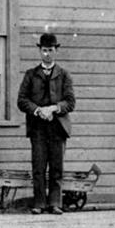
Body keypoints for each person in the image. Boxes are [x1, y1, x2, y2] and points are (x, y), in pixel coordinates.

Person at [17, 33, 76, 215]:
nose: (47, 54)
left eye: (50, 50)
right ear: (39, 51)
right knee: (39, 167)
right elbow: (21, 100)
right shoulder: (31, 75)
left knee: (57, 167)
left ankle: (55, 203)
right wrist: (38, 110)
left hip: (58, 127)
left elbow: (70, 102)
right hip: (38, 128)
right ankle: (39, 203)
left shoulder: (64, 75)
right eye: (44, 51)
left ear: (56, 51)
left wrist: (54, 108)